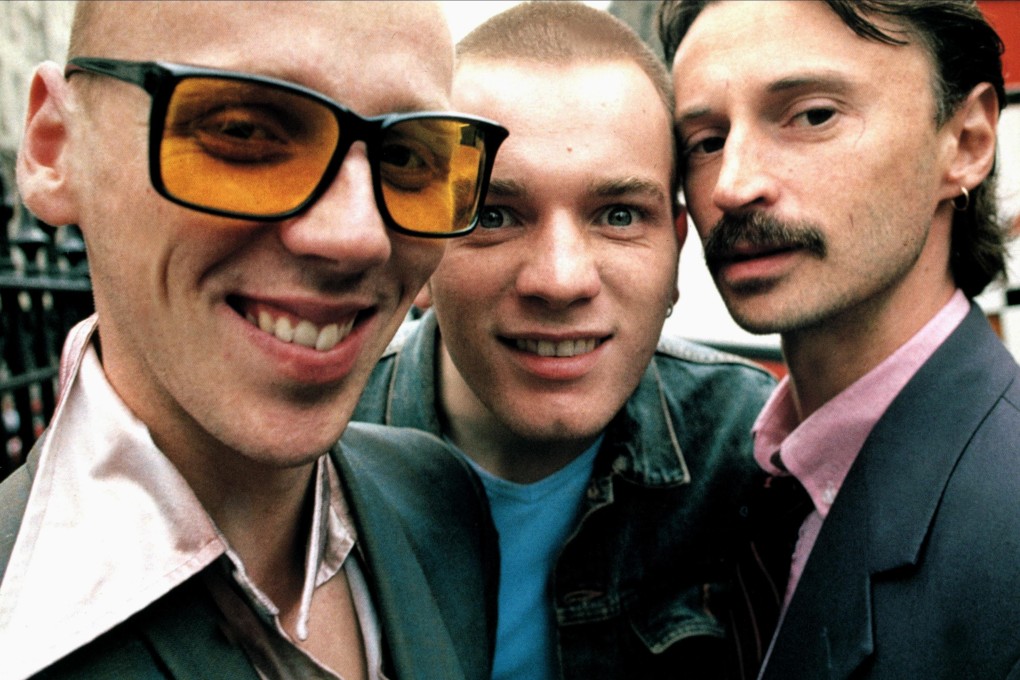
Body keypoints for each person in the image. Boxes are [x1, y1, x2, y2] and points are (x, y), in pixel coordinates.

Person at [0, 2, 508, 678]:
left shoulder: (437, 499)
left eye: (409, 156)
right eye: (242, 132)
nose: (356, 235)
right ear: (55, 145)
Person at [353, 3, 793, 678]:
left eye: (618, 215)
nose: (560, 280)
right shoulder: (311, 458)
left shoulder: (749, 455)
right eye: (494, 215)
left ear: (675, 258)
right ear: (420, 249)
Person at [661, 0, 1020, 677]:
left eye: (813, 115)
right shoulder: (732, 484)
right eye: (705, 141)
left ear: (967, 141)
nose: (733, 186)